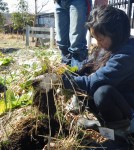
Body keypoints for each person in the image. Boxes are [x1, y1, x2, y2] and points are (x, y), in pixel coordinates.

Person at [62, 5, 134, 149]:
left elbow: (92, 82)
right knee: (86, 75)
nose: (97, 43)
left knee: (102, 92)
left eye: (100, 38)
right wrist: (66, 72)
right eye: (95, 38)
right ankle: (105, 126)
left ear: (116, 34)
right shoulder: (110, 47)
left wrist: (63, 82)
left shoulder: (128, 54)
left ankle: (122, 137)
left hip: (130, 106)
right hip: (120, 100)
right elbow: (86, 66)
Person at [54, 0, 92, 71]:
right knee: (62, 44)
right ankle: (66, 71)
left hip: (78, 1)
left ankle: (78, 72)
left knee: (77, 45)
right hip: (59, 2)